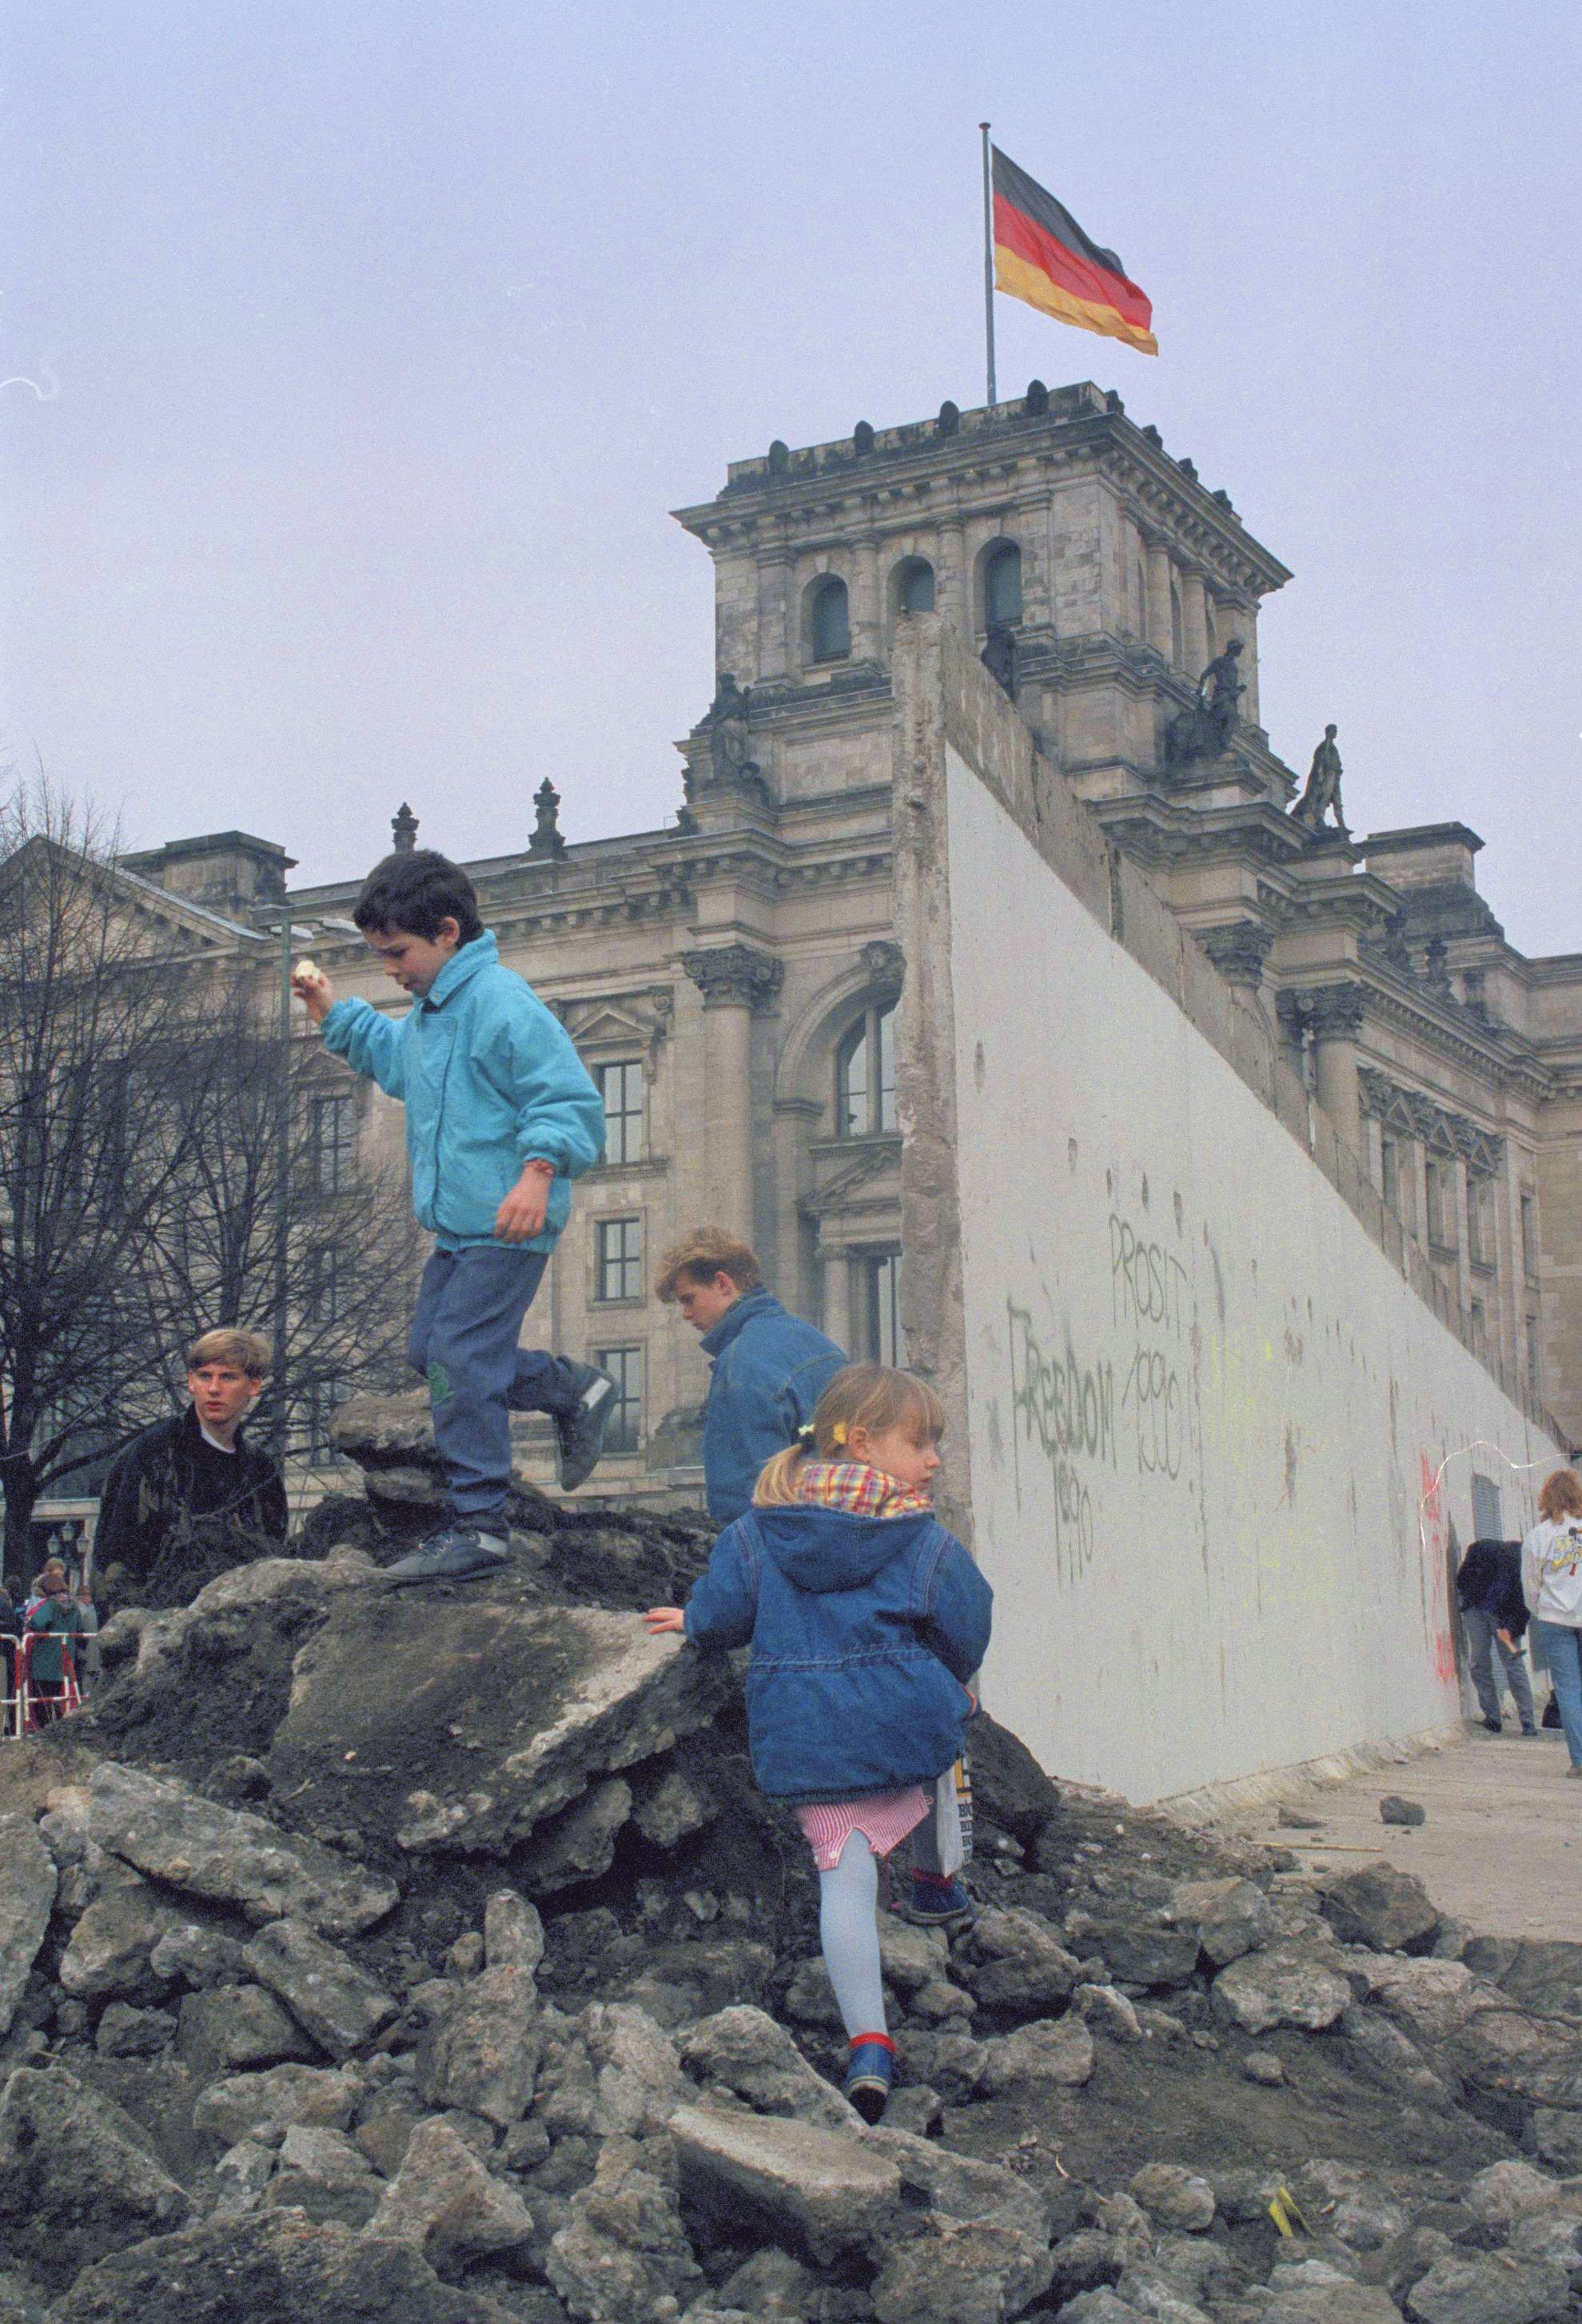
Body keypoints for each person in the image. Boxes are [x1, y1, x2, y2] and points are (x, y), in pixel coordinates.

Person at [645, 1364, 992, 2123]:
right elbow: (968, 1620)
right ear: (861, 1442)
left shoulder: (760, 1530)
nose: (933, 1459)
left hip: (806, 1737)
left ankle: (869, 2044)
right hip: (902, 1720)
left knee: (843, 1883)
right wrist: (954, 1678)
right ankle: (937, 1880)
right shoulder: (920, 1538)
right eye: (922, 1442)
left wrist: (692, 1621)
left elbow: (725, 1612)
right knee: (947, 1725)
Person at [296, 849, 612, 1584]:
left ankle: (479, 1526)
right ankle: (573, 1389)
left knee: (462, 1360)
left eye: (397, 953)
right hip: (462, 1228)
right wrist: (330, 1012)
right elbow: (396, 1057)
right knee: (427, 1354)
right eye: (380, 956)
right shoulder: (433, 1014)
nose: (392, 970)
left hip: (511, 1223)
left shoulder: (502, 1004)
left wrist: (537, 1173)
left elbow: (568, 1101)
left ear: (445, 932)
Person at [655, 1226, 847, 1526]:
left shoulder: (740, 1366)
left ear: (722, 1283)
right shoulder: (822, 1345)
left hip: (791, 1548)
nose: (686, 1314)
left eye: (688, 1299)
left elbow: (745, 1498)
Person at [94, 1330, 288, 1606]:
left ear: (254, 1386)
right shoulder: (154, 1453)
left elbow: (273, 1561)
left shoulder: (262, 1472)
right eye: (205, 1376)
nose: (214, 1388)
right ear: (190, 1382)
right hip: (158, 1631)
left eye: (228, 1377)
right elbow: (115, 1562)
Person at [1520, 1469, 1582, 1775]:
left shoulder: (1538, 1536)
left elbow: (1530, 1585)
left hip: (1555, 1620)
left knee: (1569, 1689)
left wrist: (1541, 1610)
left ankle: (1580, 1761)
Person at [1456, 1537, 1536, 1735]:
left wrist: (1510, 1627)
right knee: (1511, 1664)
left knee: (1483, 1662)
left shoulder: (1518, 1567)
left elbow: (1522, 1605)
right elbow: (1525, 1605)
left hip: (1488, 1611)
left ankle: (1496, 1719)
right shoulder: (1518, 1565)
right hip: (1478, 1607)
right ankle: (1526, 1723)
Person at [23, 1569, 82, 1725]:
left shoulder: (51, 1605)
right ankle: (58, 1728)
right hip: (64, 1661)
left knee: (42, 1701)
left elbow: (36, 1623)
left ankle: (45, 1733)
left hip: (44, 1662)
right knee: (57, 1699)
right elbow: (81, 1629)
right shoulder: (74, 1606)